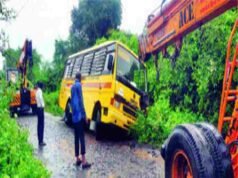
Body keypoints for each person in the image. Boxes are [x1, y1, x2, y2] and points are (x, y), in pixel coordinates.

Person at [71, 72, 91, 169]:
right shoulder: (79, 86)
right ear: (80, 78)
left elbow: (72, 101)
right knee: (81, 137)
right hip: (79, 116)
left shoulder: (72, 87)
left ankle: (77, 158)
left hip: (74, 116)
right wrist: (85, 115)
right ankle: (83, 161)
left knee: (76, 138)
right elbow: (81, 101)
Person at [35, 82, 46, 146]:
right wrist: (43, 105)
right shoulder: (40, 91)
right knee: (41, 125)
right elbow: (41, 98)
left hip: (38, 108)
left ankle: (40, 140)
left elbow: (36, 99)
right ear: (41, 86)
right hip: (40, 109)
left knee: (39, 125)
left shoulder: (37, 91)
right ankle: (41, 141)